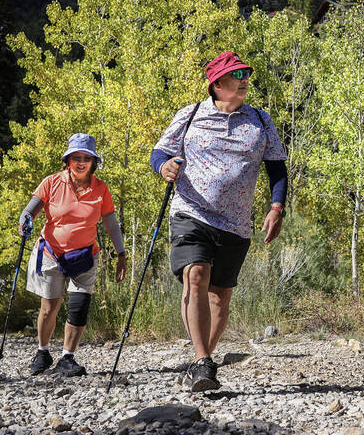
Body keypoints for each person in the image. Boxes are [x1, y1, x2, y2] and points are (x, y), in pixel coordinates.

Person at [151, 50, 289, 392]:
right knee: (195, 275)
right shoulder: (191, 114)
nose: (244, 81)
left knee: (220, 298)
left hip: (236, 223)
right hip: (191, 210)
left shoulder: (260, 120)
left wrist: (276, 207)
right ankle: (201, 360)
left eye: (245, 75)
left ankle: (202, 364)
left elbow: (277, 167)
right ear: (217, 84)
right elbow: (160, 152)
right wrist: (163, 167)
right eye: (236, 76)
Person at [17, 133, 128, 377]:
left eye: (86, 158)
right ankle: (43, 351)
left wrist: (121, 253)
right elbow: (31, 209)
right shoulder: (52, 182)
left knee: (79, 307)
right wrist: (25, 219)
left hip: (85, 256)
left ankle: (67, 357)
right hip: (51, 253)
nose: (81, 162)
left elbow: (111, 222)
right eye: (76, 157)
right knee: (49, 306)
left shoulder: (101, 189)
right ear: (67, 160)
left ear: (93, 162)